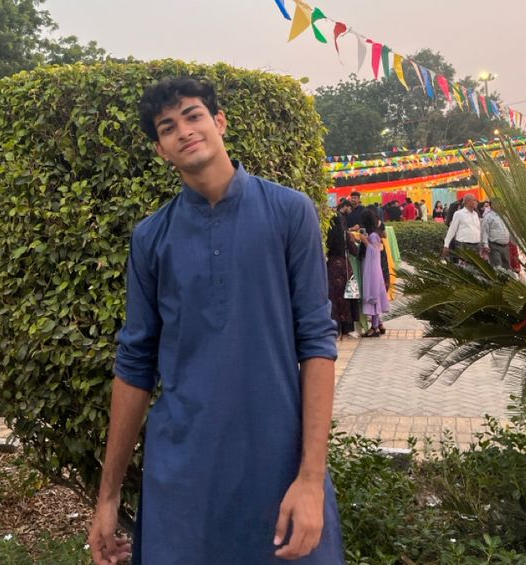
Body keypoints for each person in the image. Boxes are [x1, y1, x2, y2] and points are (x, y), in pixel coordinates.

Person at [89, 77, 343, 565]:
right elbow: (135, 363)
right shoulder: (151, 238)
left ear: (219, 122)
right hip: (182, 474)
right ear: (161, 149)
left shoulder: (290, 213)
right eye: (168, 127)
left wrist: (311, 478)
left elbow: (316, 342)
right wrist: (108, 496)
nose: (183, 130)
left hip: (278, 463)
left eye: (193, 115)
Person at [326, 200, 360, 339]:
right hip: (345, 268)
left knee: (334, 296)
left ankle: (335, 326)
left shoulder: (328, 236)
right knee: (347, 297)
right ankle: (347, 328)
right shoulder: (346, 235)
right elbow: (354, 251)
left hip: (332, 267)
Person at [357, 209, 390, 337]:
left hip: (373, 269)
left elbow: (374, 252)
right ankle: (378, 324)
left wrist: (365, 242)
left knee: (373, 296)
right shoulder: (374, 234)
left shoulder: (373, 236)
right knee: (373, 296)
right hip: (372, 268)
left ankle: (374, 327)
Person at [442, 195, 486, 260]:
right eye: (474, 200)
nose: (476, 202)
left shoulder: (476, 214)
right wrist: (446, 245)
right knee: (465, 268)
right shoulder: (459, 214)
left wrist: (483, 244)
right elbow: (452, 230)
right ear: (468, 202)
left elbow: (478, 230)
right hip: (463, 246)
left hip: (476, 245)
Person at [481, 200, 512, 270]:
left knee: (507, 268)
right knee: (497, 268)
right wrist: (485, 245)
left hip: (506, 246)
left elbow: (509, 229)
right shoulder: (488, 217)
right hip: (494, 246)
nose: (501, 206)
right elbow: (484, 231)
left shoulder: (505, 216)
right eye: (498, 204)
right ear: (492, 206)